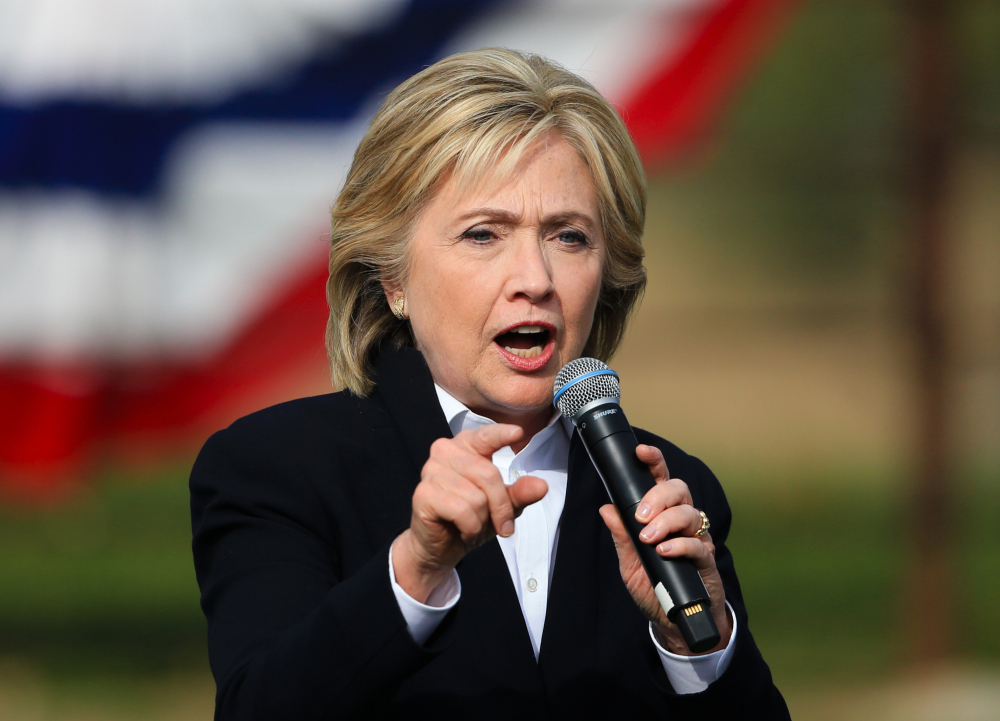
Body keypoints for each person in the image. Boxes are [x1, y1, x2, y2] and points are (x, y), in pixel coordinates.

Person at [190, 48, 790, 720]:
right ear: (393, 280)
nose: (534, 278)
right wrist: (415, 570)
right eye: (483, 234)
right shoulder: (277, 468)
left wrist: (696, 647)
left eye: (568, 236)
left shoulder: (669, 488)